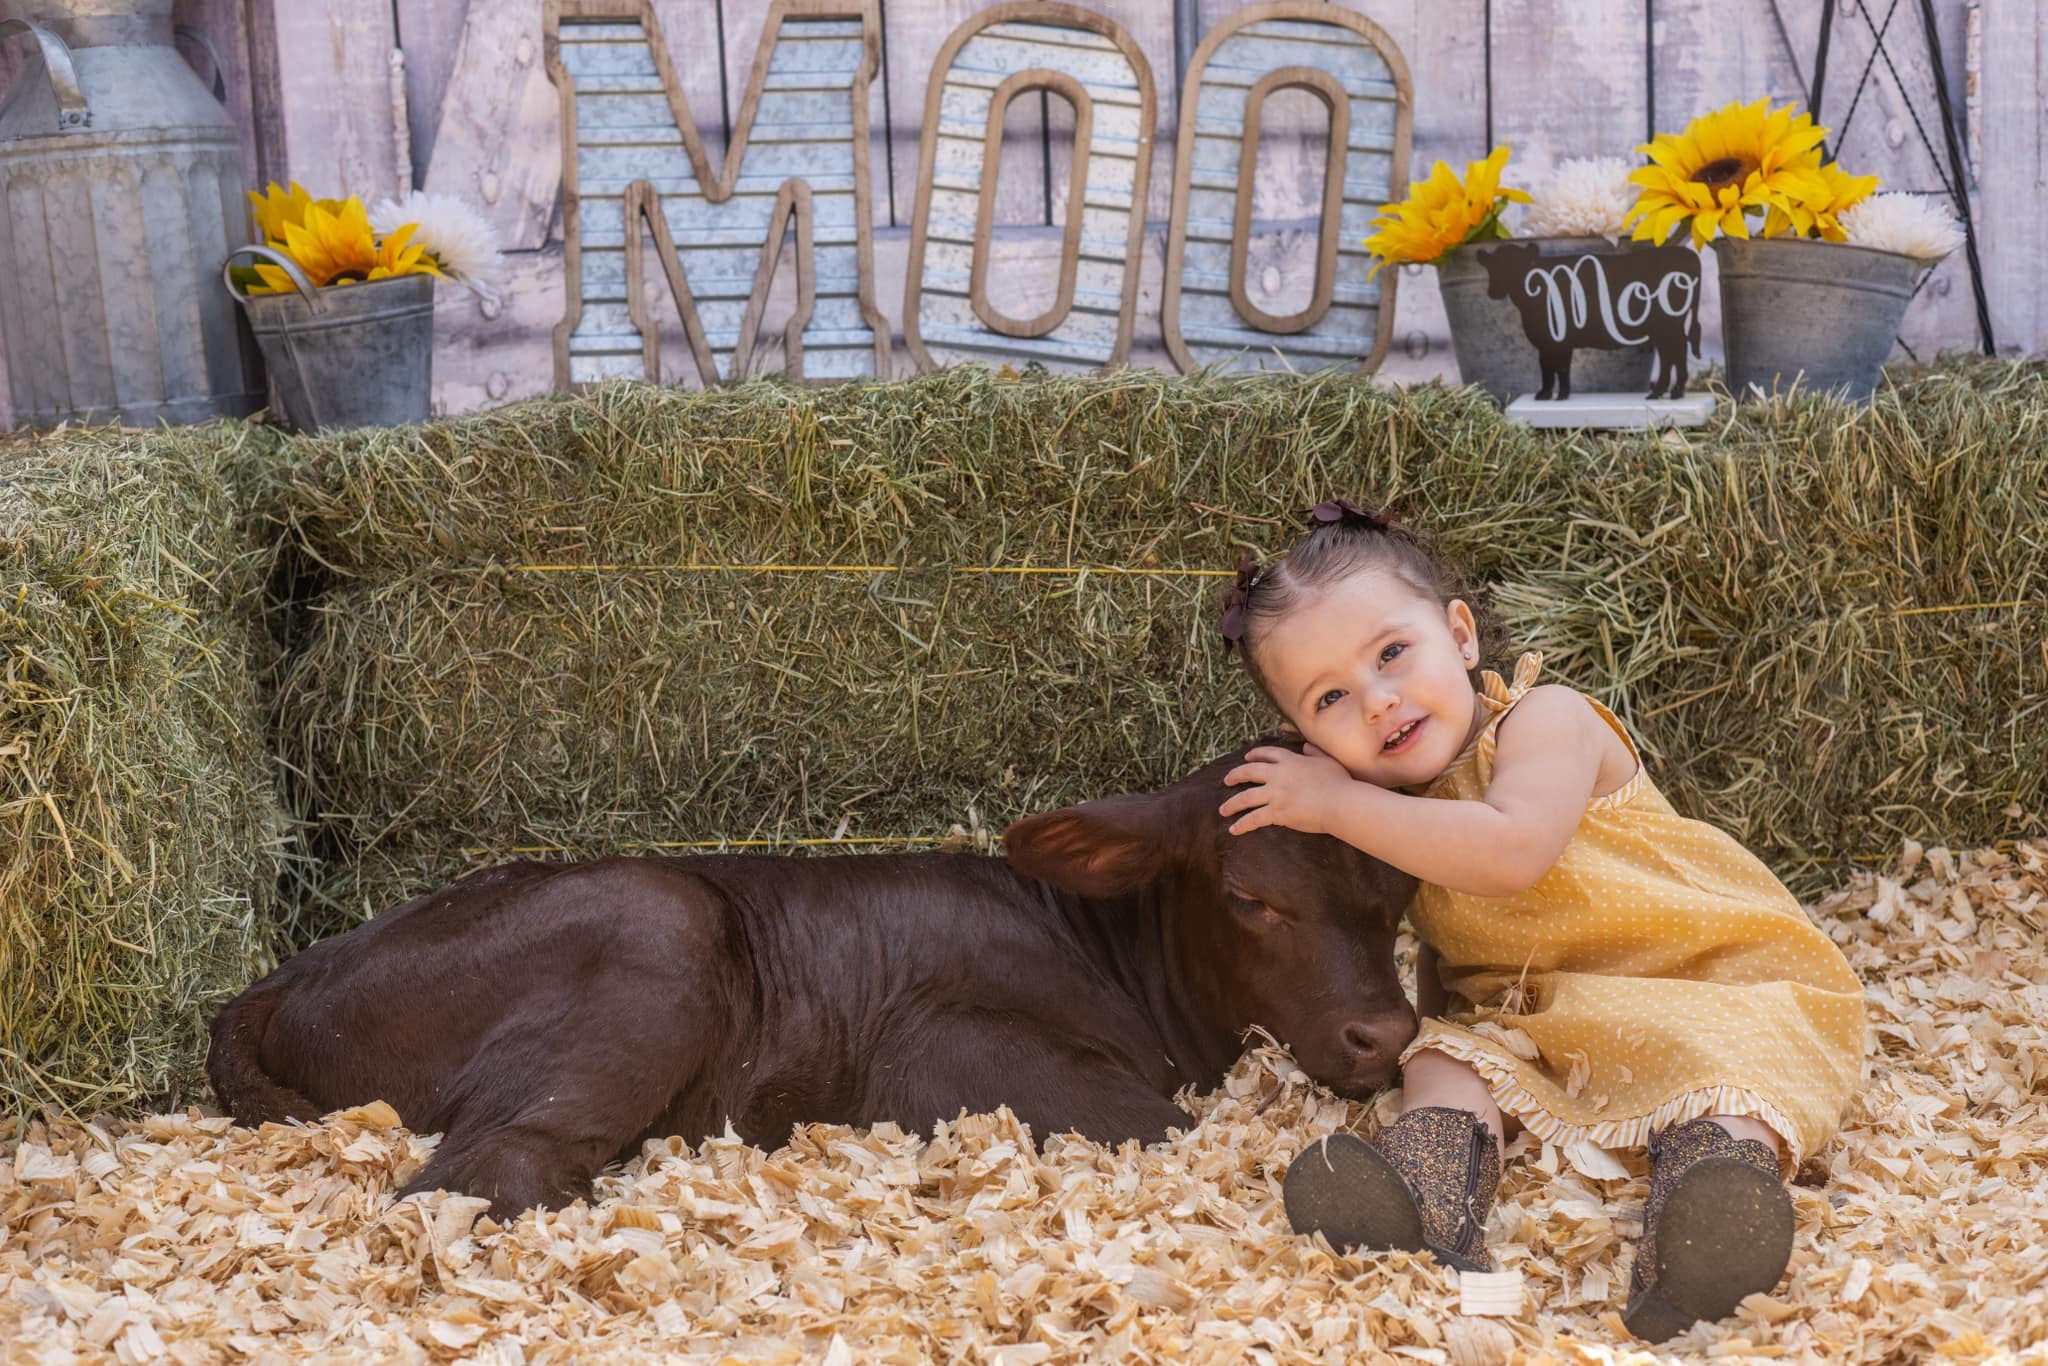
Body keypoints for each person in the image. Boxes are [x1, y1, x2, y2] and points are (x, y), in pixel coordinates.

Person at [1215, 498, 1865, 1341]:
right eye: (1331, 697)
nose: (1376, 701)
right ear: (1304, 734)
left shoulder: (1545, 720)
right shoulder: (1393, 811)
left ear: (1461, 635)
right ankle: (1428, 1188)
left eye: (1392, 653)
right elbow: (1450, 947)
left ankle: (1711, 1206)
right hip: (1553, 1018)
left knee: (1731, 1069)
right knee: (1446, 1056)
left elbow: (1508, 850)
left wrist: (1335, 806)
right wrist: (1437, 1039)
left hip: (1708, 977)